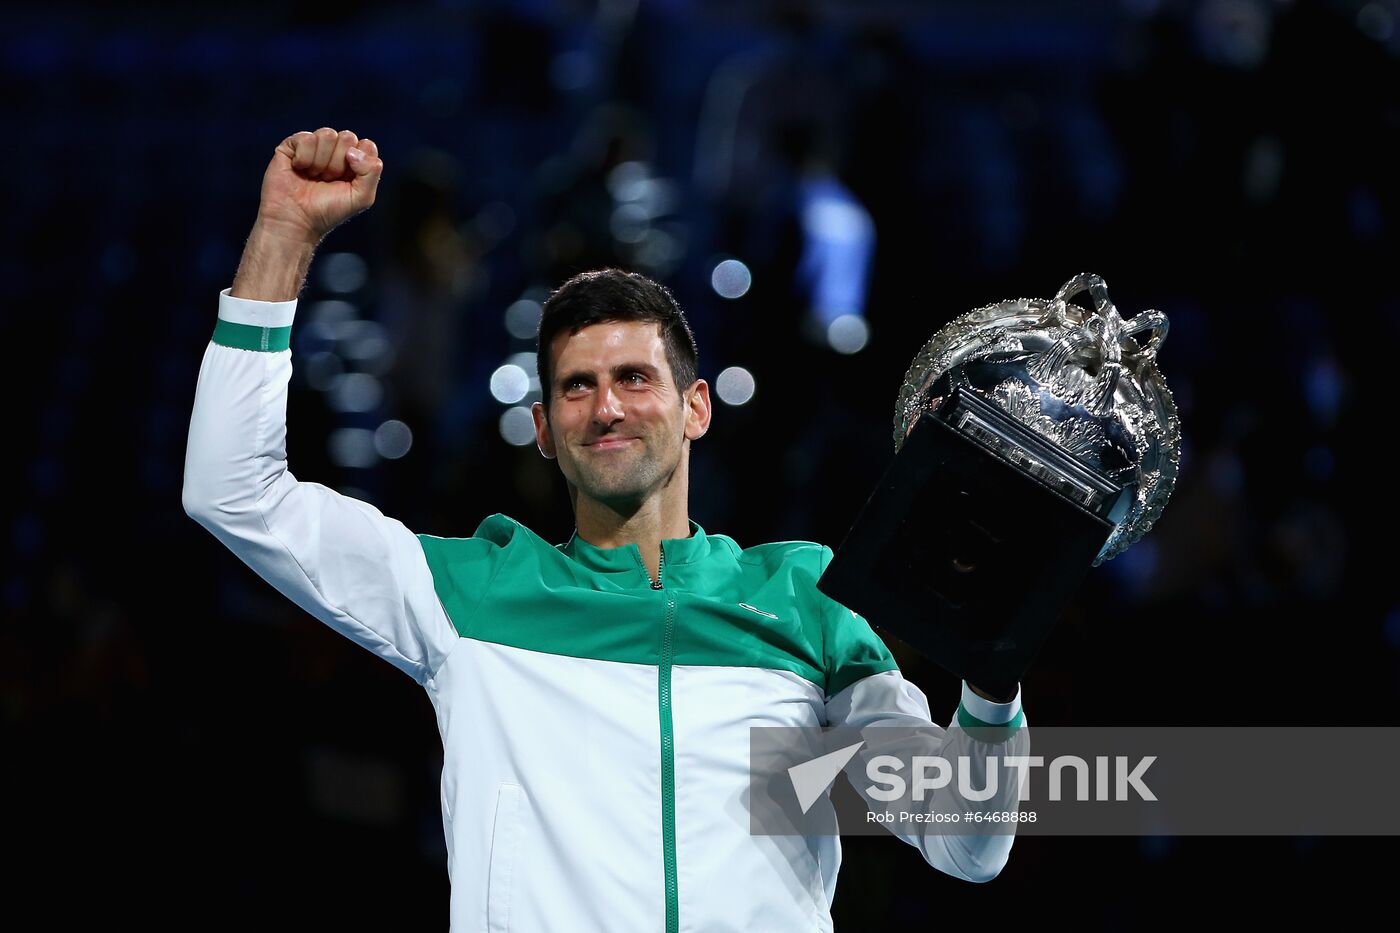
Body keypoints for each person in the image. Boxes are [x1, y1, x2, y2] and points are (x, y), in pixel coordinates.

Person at [183, 127, 1030, 933]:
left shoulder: (808, 599)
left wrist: (992, 679)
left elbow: (965, 839)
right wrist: (283, 233)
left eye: (634, 377)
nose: (609, 406)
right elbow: (233, 490)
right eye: (577, 388)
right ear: (545, 428)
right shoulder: (469, 591)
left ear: (696, 407)